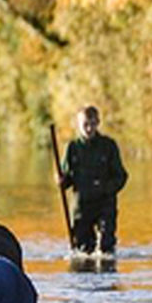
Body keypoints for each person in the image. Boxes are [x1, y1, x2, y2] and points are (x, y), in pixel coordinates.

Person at [59, 106, 128, 255]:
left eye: (92, 124)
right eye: (85, 124)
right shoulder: (72, 147)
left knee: (106, 248)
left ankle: (107, 268)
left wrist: (106, 189)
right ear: (78, 124)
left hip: (104, 204)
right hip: (82, 206)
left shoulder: (108, 146)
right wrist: (62, 181)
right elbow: (66, 178)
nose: (89, 129)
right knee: (83, 249)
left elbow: (121, 176)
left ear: (98, 123)